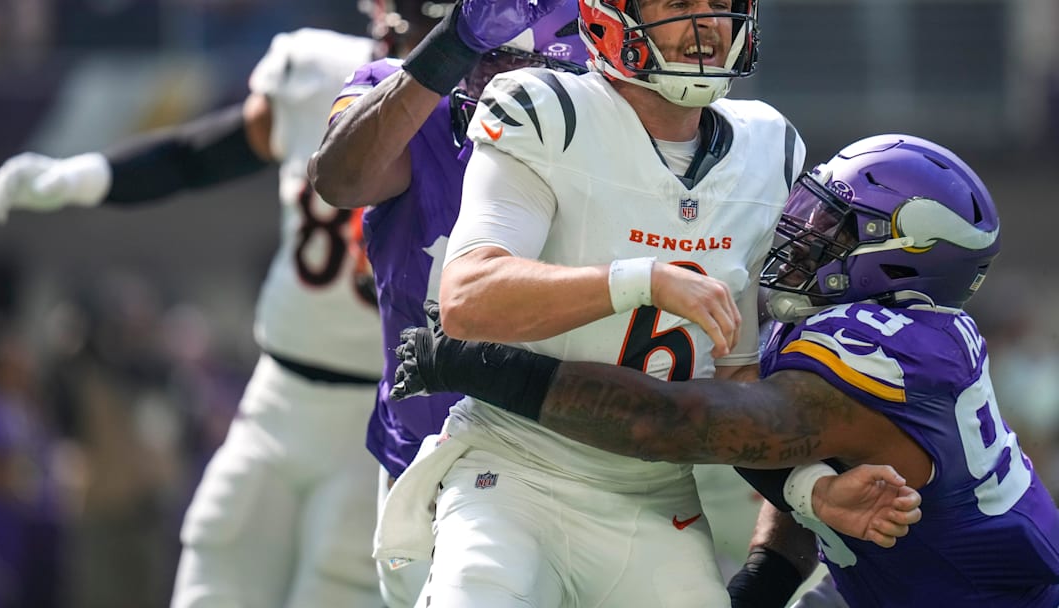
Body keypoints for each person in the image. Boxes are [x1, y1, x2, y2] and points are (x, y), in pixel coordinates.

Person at [392, 134, 1059, 607]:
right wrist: (767, 580)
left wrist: (483, 366)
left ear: (902, 257)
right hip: (904, 585)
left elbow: (680, 424)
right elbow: (804, 449)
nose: (804, 230)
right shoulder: (873, 334)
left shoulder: (883, 355)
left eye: (836, 225)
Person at [365, 0, 823, 604]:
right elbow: (468, 297)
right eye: (679, 3)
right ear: (610, 15)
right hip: (513, 473)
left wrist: (811, 489)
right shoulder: (549, 110)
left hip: (655, 494)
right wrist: (639, 280)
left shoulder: (768, 145)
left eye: (720, 4)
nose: (707, 23)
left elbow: (738, 383)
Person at [0, 25, 410, 608]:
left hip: (381, 415)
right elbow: (203, 154)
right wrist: (89, 177)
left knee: (340, 582)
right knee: (217, 560)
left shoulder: (478, 104)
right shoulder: (319, 70)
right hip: (279, 399)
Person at [308, 0, 589, 604]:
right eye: (489, 63)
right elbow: (339, 178)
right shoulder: (404, 98)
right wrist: (452, 44)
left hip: (575, 469)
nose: (502, 93)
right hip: (426, 468)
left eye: (527, 73)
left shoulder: (620, 136)